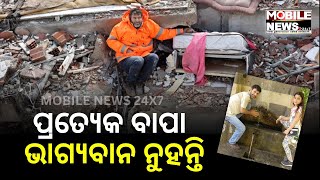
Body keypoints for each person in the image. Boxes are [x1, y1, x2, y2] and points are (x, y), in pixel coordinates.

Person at [106, 8, 194, 96]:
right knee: (138, 61)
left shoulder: (149, 25)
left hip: (143, 55)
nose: (137, 20)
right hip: (126, 57)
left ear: (142, 18)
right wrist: (124, 48)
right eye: (134, 18)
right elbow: (110, 41)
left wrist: (182, 31)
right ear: (130, 18)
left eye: (139, 18)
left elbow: (164, 34)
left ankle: (140, 82)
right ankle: (129, 83)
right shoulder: (120, 27)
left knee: (154, 57)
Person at [225, 85, 261, 149]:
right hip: (229, 114)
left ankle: (236, 121)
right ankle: (231, 142)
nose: (255, 94)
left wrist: (250, 111)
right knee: (242, 128)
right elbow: (242, 110)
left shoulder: (245, 94)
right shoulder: (246, 97)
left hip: (230, 111)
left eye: (257, 93)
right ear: (250, 90)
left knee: (248, 106)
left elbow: (243, 109)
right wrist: (251, 113)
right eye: (254, 91)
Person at [276, 92, 304, 167]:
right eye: (295, 98)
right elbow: (290, 118)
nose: (296, 100)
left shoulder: (299, 109)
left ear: (301, 101)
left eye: (298, 99)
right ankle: (292, 141)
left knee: (284, 143)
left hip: (294, 129)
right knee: (281, 119)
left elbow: (295, 121)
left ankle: (291, 161)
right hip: (291, 126)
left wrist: (288, 130)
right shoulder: (294, 108)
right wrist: (281, 117)